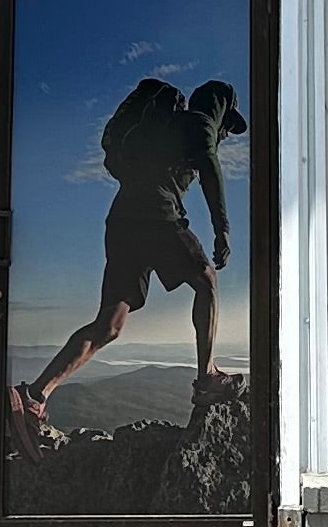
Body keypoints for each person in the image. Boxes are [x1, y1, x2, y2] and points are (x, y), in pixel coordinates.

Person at [13, 75, 245, 452]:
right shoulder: (200, 124)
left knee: (110, 325)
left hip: (122, 221)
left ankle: (33, 396)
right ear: (220, 111)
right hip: (157, 215)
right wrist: (223, 229)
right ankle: (207, 378)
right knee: (206, 280)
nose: (226, 135)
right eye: (228, 126)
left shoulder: (168, 128)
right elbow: (210, 167)